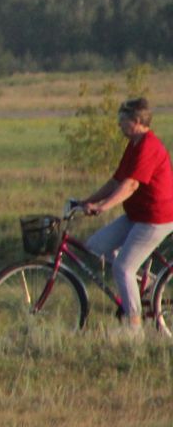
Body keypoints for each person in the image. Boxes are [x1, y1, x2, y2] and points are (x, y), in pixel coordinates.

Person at [73, 97, 173, 331]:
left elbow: (130, 185)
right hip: (137, 216)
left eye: (123, 120)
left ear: (137, 121)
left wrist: (103, 207)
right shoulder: (134, 145)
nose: (119, 124)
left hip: (155, 219)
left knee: (122, 268)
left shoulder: (149, 146)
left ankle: (134, 326)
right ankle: (145, 286)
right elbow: (116, 180)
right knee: (96, 246)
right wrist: (89, 200)